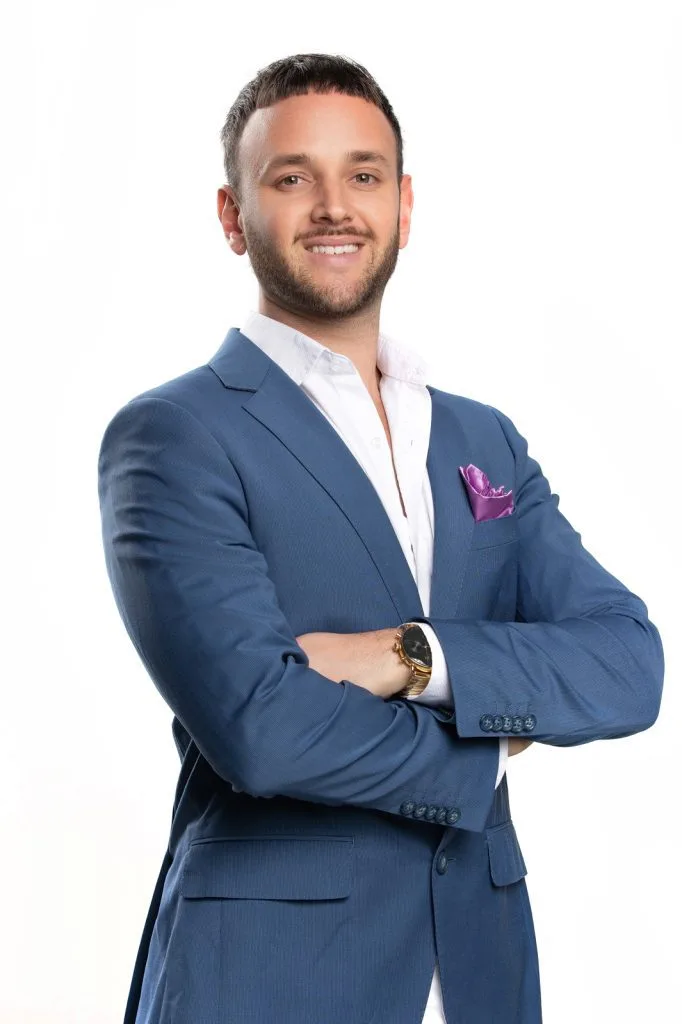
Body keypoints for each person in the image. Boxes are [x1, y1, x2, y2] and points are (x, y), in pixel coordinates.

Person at [97, 53, 664, 1024]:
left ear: (402, 204)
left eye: (361, 175)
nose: (332, 205)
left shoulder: (481, 438)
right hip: (269, 980)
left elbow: (628, 663)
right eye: (291, 177)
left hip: (480, 973)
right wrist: (486, 743)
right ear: (233, 216)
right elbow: (259, 730)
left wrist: (413, 657)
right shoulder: (177, 435)